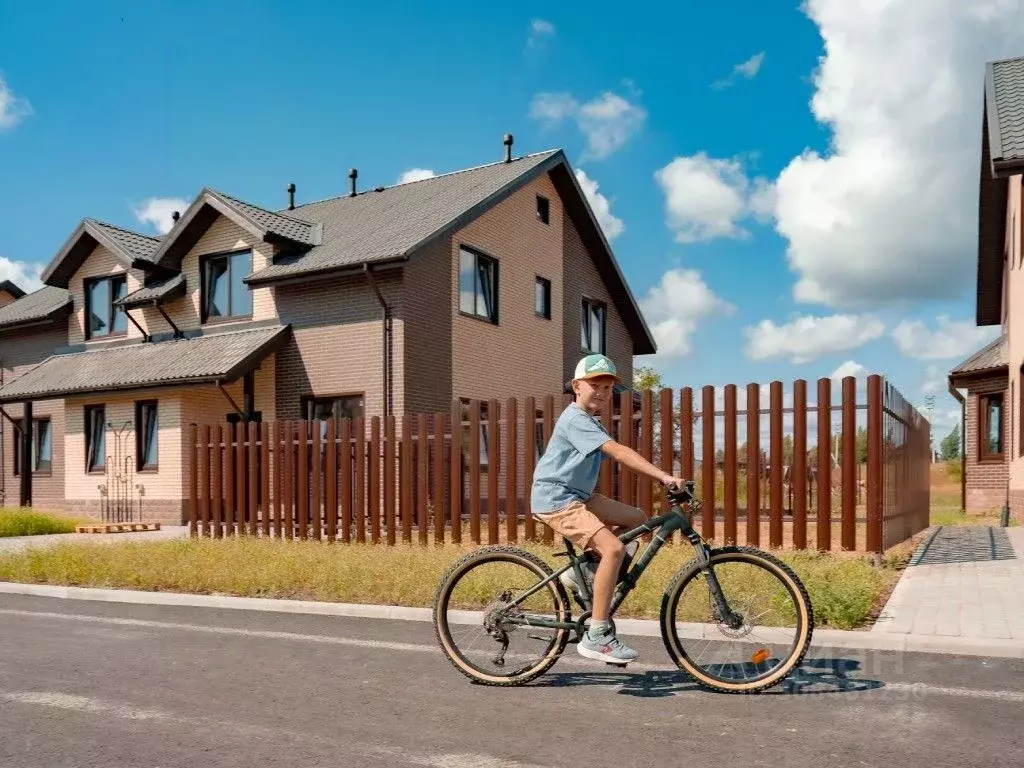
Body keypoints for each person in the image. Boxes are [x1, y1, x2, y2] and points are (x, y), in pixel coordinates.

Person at [531, 353, 687, 664]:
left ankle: (583, 574)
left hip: (578, 496)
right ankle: (597, 634)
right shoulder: (575, 418)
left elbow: (615, 454)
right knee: (614, 549)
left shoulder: (590, 422)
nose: (602, 393)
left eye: (607, 388)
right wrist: (663, 475)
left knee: (639, 519)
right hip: (556, 499)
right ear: (577, 386)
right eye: (595, 385)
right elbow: (616, 451)